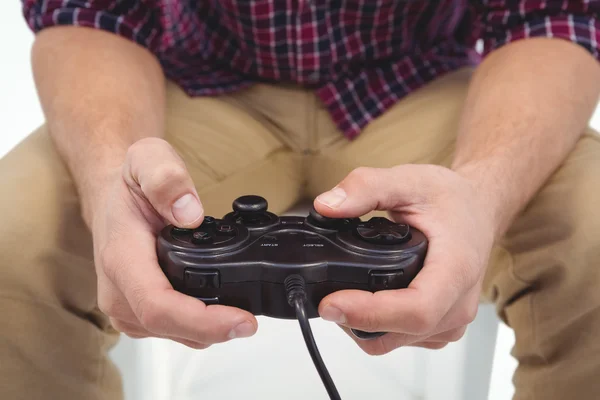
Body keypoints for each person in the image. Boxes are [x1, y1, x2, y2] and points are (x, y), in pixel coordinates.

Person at [1, 0, 599, 399]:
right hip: (190, 83)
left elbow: (553, 16)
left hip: (419, 81)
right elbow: (92, 11)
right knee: (16, 239)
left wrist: (483, 192)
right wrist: (111, 178)